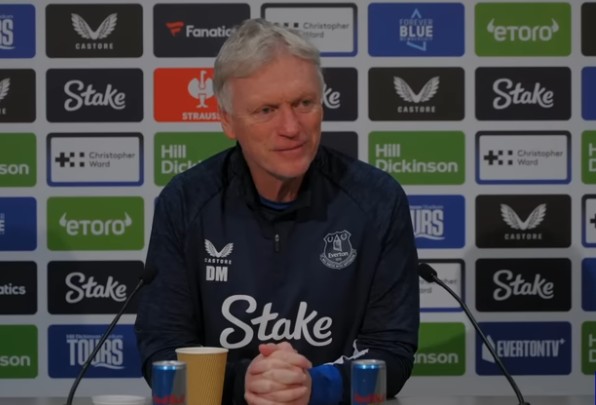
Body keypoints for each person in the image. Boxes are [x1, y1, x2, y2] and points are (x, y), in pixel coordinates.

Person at [135, 18, 419, 405]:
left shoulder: (377, 199)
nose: (291, 127)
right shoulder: (186, 201)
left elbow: (391, 351)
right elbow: (162, 351)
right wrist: (244, 383)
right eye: (266, 109)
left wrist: (314, 386)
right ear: (226, 120)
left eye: (304, 103)